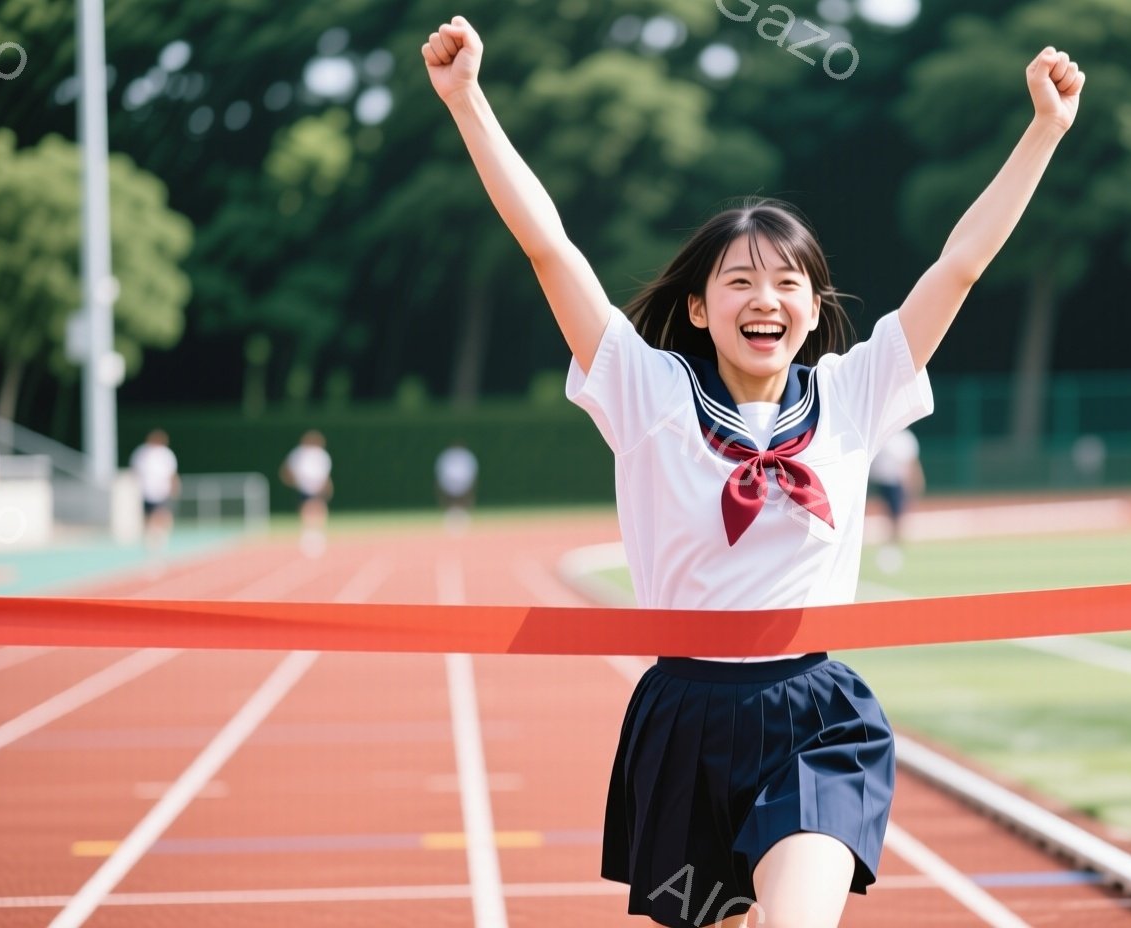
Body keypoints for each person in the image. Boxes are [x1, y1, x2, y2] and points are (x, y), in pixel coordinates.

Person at [426, 16, 1083, 926]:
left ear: (813, 310)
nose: (764, 299)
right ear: (697, 308)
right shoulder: (645, 391)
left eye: (787, 283)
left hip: (817, 716)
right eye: (738, 281)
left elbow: (960, 267)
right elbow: (551, 250)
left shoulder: (857, 394)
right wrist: (470, 103)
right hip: (686, 717)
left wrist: (1043, 129)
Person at [867, 428, 923, 573]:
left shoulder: (905, 438)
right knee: (886, 517)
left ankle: (894, 548)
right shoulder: (884, 434)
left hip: (896, 483)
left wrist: (915, 484)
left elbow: (912, 464)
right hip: (880, 482)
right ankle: (889, 546)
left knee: (897, 517)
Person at [130, 429, 180, 564]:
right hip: (146, 493)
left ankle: (161, 546)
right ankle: (150, 548)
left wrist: (174, 487)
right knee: (148, 521)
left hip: (161, 492)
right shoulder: (141, 453)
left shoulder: (166, 454)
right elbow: (135, 472)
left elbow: (171, 473)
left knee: (162, 518)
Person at [281, 430, 333, 558]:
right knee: (307, 509)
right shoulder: (298, 453)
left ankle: (317, 534)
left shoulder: (321, 455)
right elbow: (288, 470)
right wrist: (295, 481)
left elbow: (324, 473)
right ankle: (309, 534)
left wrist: (326, 485)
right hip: (304, 486)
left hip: (317, 486)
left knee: (318, 508)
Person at [435, 440, 479, 534]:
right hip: (450, 482)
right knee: (451, 500)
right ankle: (451, 518)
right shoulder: (448, 456)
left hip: (463, 482)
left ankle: (462, 517)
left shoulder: (466, 456)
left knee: (464, 500)